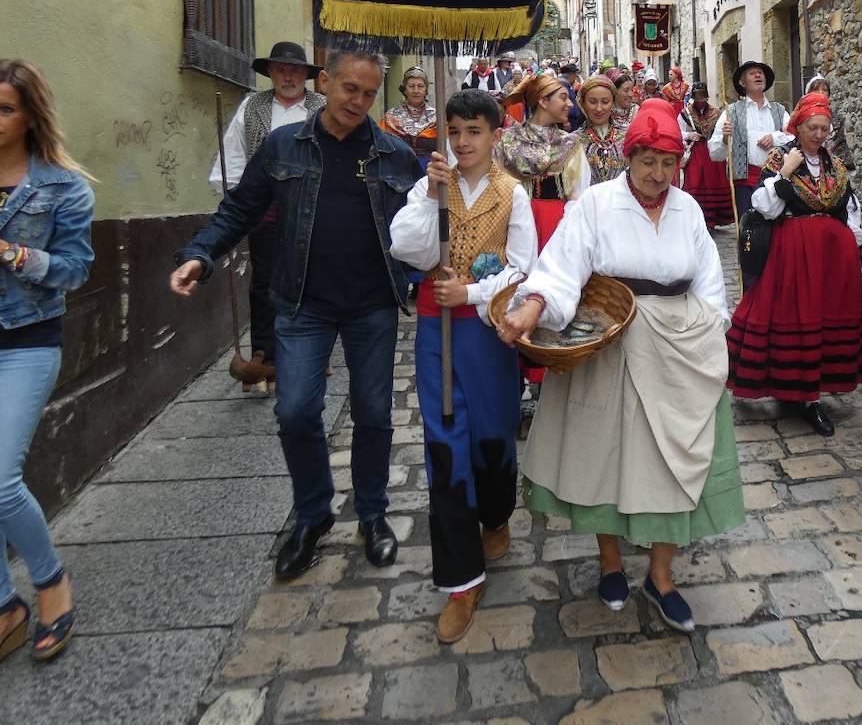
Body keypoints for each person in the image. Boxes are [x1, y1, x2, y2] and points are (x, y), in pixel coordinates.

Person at [171, 51, 421, 580]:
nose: (357, 101)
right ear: (325, 83)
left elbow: (423, 225)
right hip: (302, 301)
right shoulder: (284, 146)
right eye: (349, 88)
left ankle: (372, 514)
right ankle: (313, 515)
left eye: (369, 93)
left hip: (372, 303)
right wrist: (201, 254)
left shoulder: (394, 154)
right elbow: (239, 208)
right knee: (296, 412)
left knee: (374, 414)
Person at [497, 100, 745, 633]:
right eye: (647, 161)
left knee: (677, 460)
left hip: (679, 348)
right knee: (606, 458)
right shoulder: (595, 204)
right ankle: (610, 562)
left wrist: (709, 333)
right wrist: (533, 307)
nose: (658, 174)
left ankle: (661, 577)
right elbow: (561, 268)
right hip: (610, 341)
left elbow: (708, 281)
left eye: (668, 162)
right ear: (629, 157)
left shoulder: (689, 210)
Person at [389, 90, 536, 644]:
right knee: (446, 445)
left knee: (493, 439)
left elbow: (526, 268)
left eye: (474, 132)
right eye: (454, 132)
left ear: (496, 135)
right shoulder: (433, 184)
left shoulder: (512, 194)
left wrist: (472, 290)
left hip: (491, 332)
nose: (463, 143)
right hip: (437, 332)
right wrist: (430, 196)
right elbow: (408, 249)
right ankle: (460, 579)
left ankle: (496, 514)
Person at [0, 60, 94, 663]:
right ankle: (5, 605)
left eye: (5, 108)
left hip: (27, 341)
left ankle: (51, 580)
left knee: (1, 481)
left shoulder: (63, 186)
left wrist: (16, 254)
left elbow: (75, 269)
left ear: (31, 115)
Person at [726, 93, 862, 436]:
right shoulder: (779, 158)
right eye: (812, 127)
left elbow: (849, 206)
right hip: (792, 255)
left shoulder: (835, 164)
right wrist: (785, 173)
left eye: (824, 128)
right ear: (797, 127)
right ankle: (800, 393)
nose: (819, 134)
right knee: (796, 317)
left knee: (823, 319)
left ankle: (817, 386)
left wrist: (852, 242)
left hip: (831, 259)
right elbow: (765, 206)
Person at [209, 41, 326, 391]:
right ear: (271, 73)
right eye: (280, 69)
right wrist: (235, 199)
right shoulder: (253, 106)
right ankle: (264, 351)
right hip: (267, 205)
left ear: (306, 75)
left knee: (312, 277)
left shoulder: (321, 107)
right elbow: (233, 155)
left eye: (295, 70)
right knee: (265, 281)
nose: (288, 76)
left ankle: (311, 347)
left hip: (313, 202)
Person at [708, 62, 789, 285]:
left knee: (776, 232)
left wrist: (775, 137)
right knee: (750, 235)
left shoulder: (780, 111)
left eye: (761, 72)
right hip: (744, 182)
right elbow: (714, 152)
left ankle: (776, 282)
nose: (758, 75)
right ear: (743, 83)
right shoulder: (730, 112)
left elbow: (794, 138)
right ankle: (752, 285)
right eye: (752, 73)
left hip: (774, 181)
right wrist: (725, 139)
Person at [496, 72, 588, 251]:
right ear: (543, 101)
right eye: (563, 98)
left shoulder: (569, 144)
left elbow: (577, 193)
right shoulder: (505, 140)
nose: (570, 104)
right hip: (512, 220)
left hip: (556, 223)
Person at [678, 83, 732, 228]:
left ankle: (713, 219)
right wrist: (689, 134)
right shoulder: (685, 113)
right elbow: (678, 131)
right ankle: (695, 217)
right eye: (697, 96)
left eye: (703, 96)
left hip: (713, 151)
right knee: (695, 182)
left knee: (715, 181)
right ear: (693, 97)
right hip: (696, 152)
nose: (700, 99)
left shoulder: (717, 113)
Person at [575, 76, 628, 185]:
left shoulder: (628, 135)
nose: (599, 108)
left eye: (605, 102)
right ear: (583, 103)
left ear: (613, 103)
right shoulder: (573, 141)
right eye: (592, 102)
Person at [381, 66, 438, 162]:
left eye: (420, 86)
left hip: (431, 170)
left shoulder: (437, 117)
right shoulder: (391, 117)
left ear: (426, 90)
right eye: (411, 86)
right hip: (398, 168)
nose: (416, 91)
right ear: (405, 89)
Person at [804, 74, 856, 171]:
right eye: (816, 90)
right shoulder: (802, 117)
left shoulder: (836, 117)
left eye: (824, 90)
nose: (821, 93)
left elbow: (840, 144)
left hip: (834, 166)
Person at [558, 64, 585, 131]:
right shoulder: (562, 85)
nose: (576, 78)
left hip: (572, 119)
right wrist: (565, 121)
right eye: (575, 75)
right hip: (568, 120)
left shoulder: (566, 84)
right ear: (571, 75)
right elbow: (561, 105)